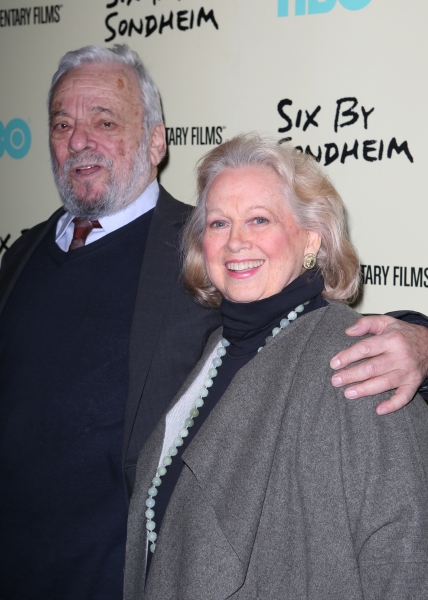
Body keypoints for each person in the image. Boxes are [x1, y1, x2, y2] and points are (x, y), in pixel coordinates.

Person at [0, 45, 426, 599]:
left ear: (156, 141)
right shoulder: (22, 256)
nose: (79, 139)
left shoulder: (192, 250)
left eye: (105, 120)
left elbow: (326, 341)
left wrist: (419, 338)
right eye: (63, 122)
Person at [124, 134, 428, 599]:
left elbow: (403, 558)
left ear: (311, 238)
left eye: (259, 219)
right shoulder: (214, 350)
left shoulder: (360, 359)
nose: (235, 242)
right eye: (219, 223)